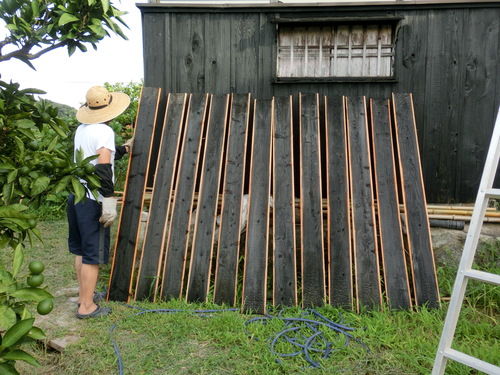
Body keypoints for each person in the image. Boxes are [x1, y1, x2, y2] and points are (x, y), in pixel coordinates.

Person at [68, 86, 133, 319]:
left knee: (82, 250)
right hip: (93, 199)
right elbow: (103, 166)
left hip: (76, 195)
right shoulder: (104, 132)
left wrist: (124, 149)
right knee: (93, 254)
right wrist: (107, 199)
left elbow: (96, 155)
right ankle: (87, 307)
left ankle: (84, 295)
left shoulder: (82, 128)